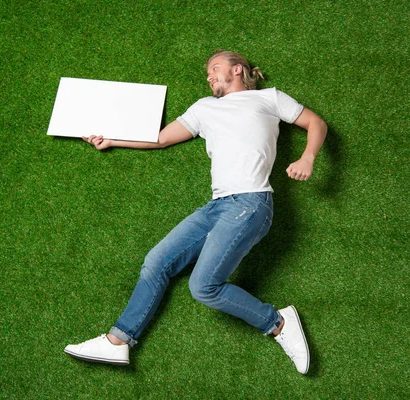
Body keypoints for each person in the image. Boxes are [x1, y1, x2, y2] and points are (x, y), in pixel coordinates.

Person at [64, 50, 327, 374]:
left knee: (203, 287)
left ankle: (278, 323)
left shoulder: (268, 99)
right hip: (216, 207)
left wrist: (308, 158)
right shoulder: (205, 108)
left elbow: (315, 122)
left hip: (250, 202)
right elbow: (160, 139)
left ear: (237, 69)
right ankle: (119, 342)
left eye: (214, 68)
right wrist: (112, 140)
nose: (208, 75)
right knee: (156, 262)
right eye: (207, 72)